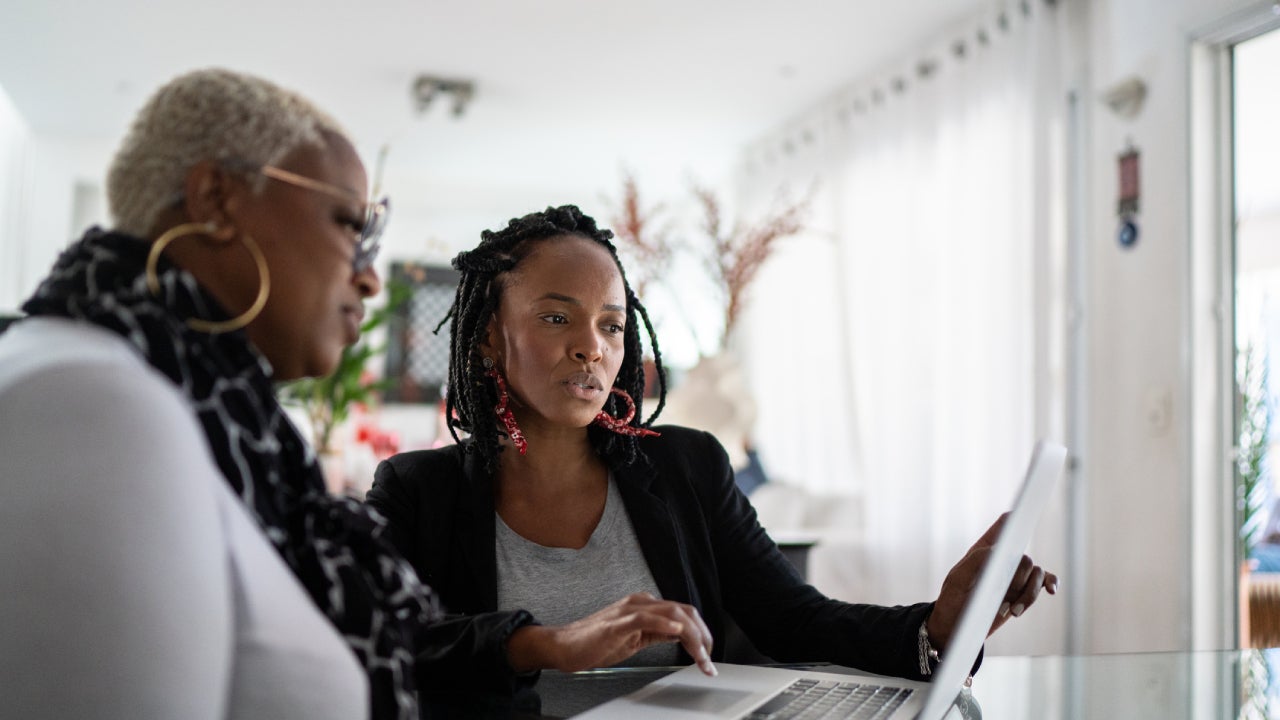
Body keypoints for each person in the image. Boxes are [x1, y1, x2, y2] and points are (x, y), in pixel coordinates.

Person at [366, 205, 1059, 705]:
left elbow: (796, 619)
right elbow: (388, 646)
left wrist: (938, 624)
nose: (592, 347)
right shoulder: (417, 489)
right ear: (489, 338)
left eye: (611, 325)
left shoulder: (686, 468)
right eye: (557, 317)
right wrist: (547, 644)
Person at [0, 69, 438, 720]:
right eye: (353, 223)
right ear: (218, 199)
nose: (371, 278)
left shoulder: (183, 401)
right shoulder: (96, 405)